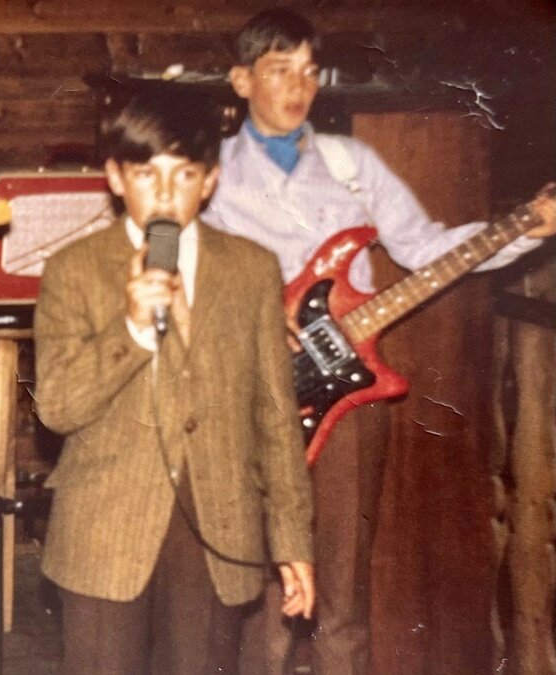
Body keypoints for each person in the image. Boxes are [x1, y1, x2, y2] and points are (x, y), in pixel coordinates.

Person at [201, 8, 556, 674]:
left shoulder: (352, 163)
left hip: (353, 399)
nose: (299, 87)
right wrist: (250, 313)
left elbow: (425, 248)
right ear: (241, 80)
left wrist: (521, 230)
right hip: (254, 395)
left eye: (310, 71)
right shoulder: (209, 173)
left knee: (343, 591)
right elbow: (185, 276)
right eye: (280, 70)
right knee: (263, 594)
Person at [33, 92, 315, 675]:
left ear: (209, 181)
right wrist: (132, 328)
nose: (164, 194)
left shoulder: (251, 268)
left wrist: (292, 541)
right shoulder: (73, 270)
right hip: (106, 530)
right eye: (146, 174)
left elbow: (275, 417)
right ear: (115, 177)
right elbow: (56, 407)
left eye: (184, 174)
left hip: (217, 527)